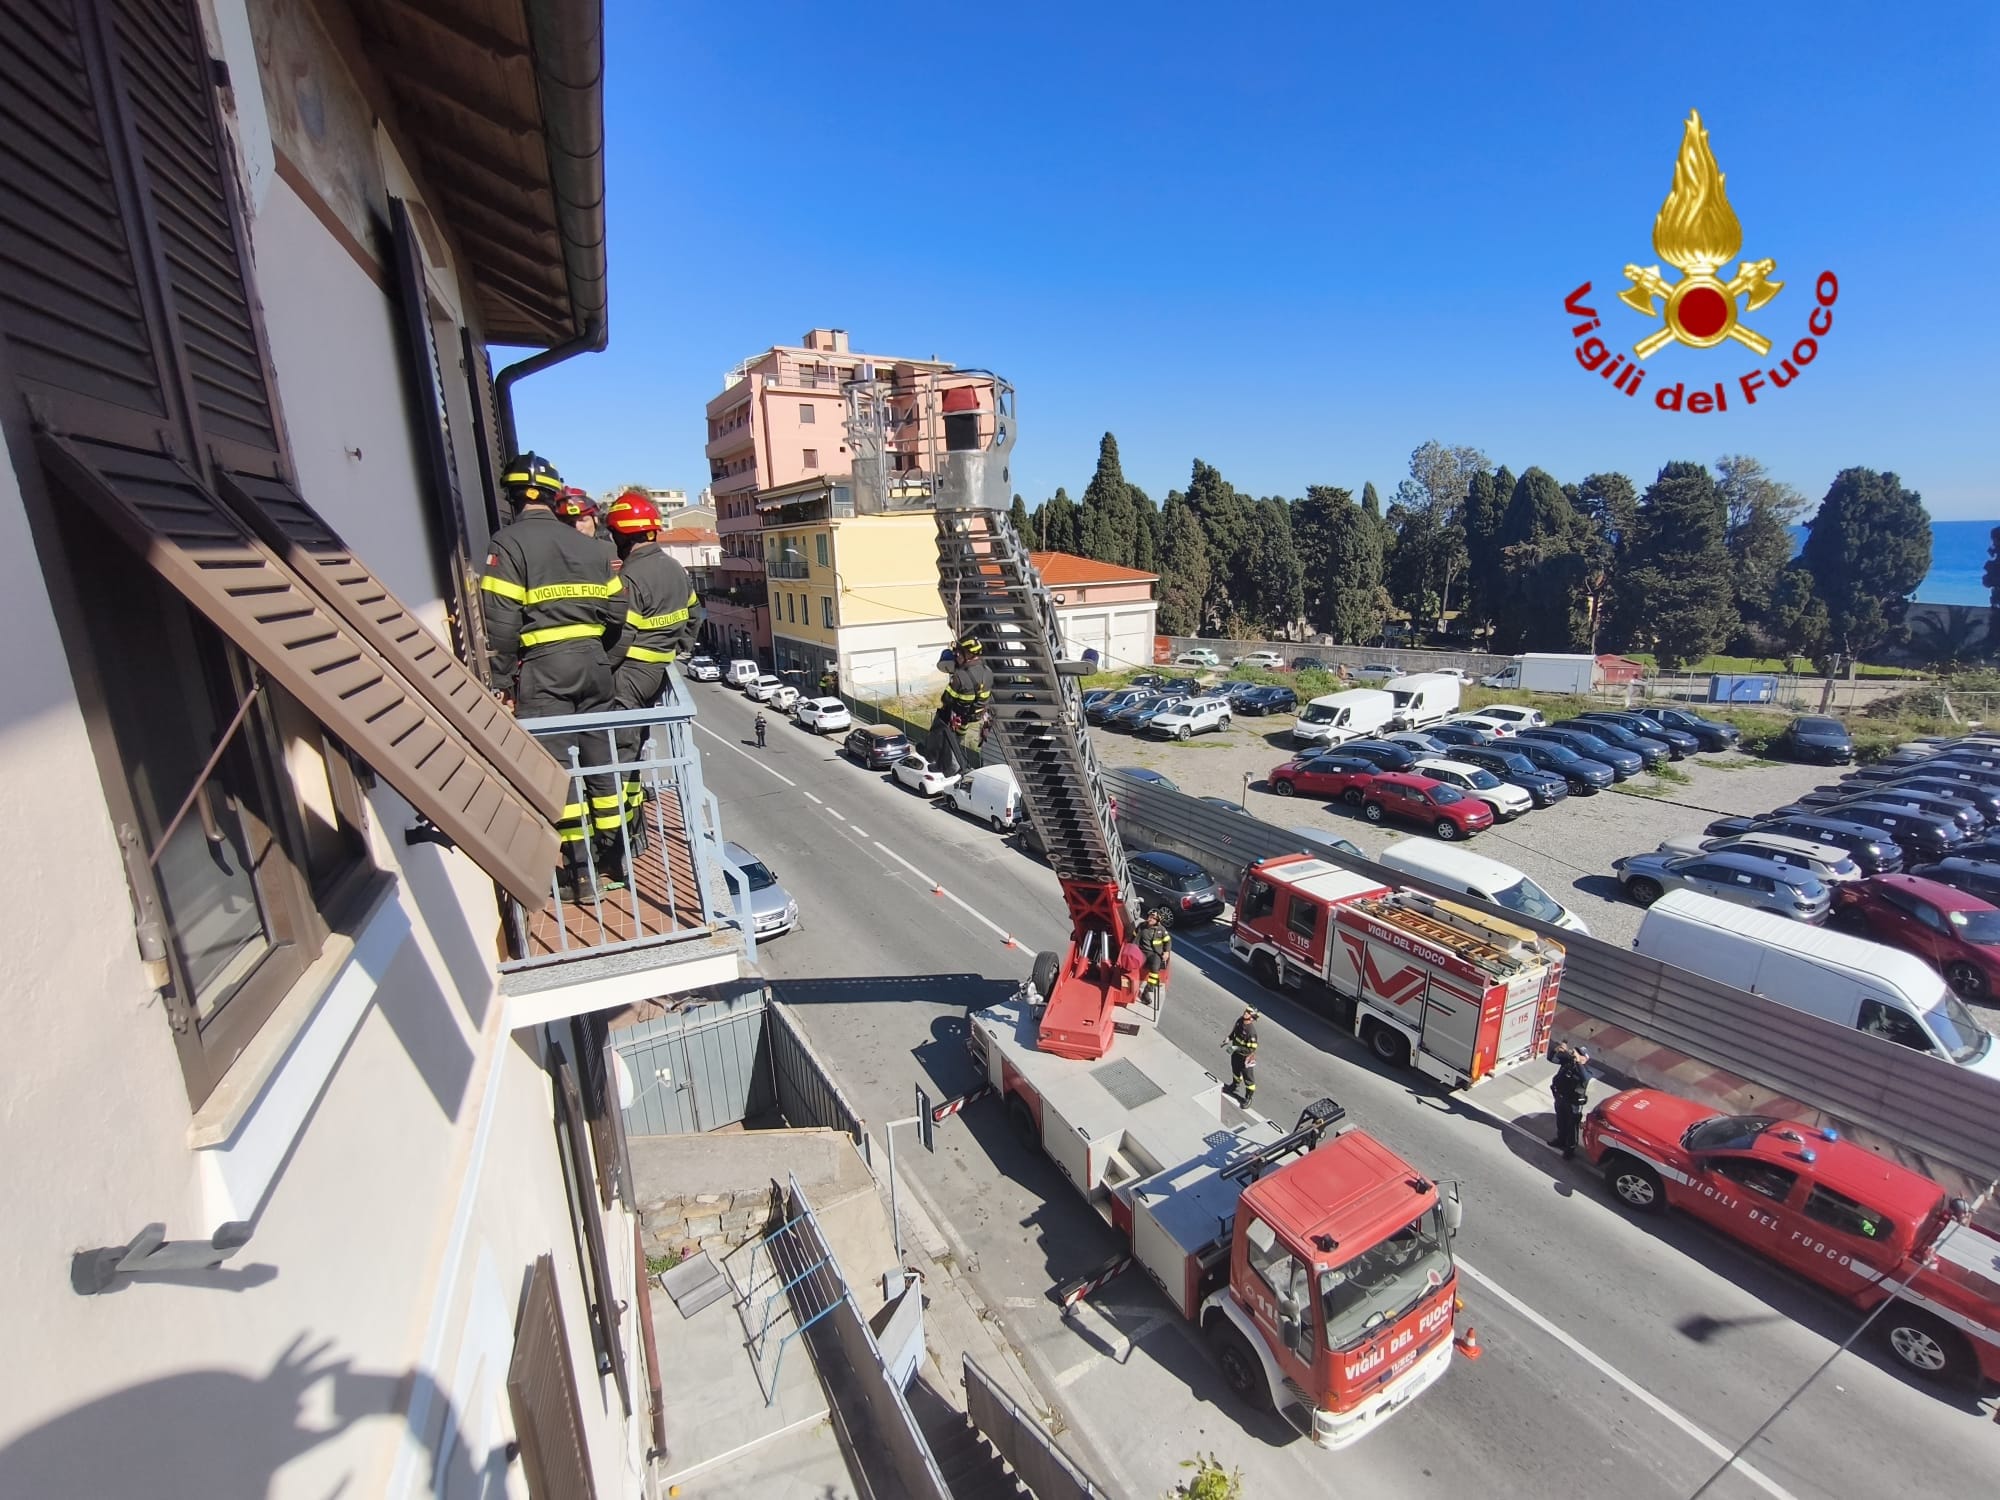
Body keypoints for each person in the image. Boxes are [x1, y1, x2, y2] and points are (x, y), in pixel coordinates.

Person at [481, 452, 627, 901]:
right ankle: (615, 857)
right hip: (594, 666)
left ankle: (581, 874)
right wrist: (598, 654)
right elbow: (619, 613)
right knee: (602, 764)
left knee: (558, 775)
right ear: (554, 497)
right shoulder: (594, 548)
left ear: (512, 496)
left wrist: (502, 681)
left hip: (544, 671)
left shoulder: (508, 544)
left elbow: (501, 625)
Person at [597, 492, 698, 876]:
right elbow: (694, 614)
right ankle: (634, 828)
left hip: (630, 676)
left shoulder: (630, 577)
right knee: (634, 750)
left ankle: (616, 846)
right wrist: (679, 647)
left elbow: (623, 635)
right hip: (657, 671)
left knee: (617, 759)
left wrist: (600, 670)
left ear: (621, 536)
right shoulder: (675, 569)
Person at [927, 635, 993, 775]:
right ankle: (946, 763)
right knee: (957, 736)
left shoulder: (960, 677)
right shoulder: (988, 671)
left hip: (961, 716)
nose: (956, 656)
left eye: (958, 653)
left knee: (941, 721)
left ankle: (933, 756)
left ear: (968, 654)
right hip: (976, 714)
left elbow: (946, 698)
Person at [1549, 1040, 1592, 1157]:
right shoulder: (1568, 1062)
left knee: (1572, 1127)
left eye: (1579, 1053)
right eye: (1576, 1051)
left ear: (1585, 1059)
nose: (1575, 1054)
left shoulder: (1585, 1070)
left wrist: (1578, 1061)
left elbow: (1584, 1078)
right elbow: (1551, 1058)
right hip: (1561, 1098)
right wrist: (1556, 1049)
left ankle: (1570, 1149)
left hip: (1573, 1104)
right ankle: (1560, 1140)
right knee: (1561, 1121)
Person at [1138, 908, 1172, 1007]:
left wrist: (1166, 952)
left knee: (1155, 969)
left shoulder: (1161, 930)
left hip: (1155, 954)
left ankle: (1147, 991)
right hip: (1141, 952)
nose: (1150, 919)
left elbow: (1168, 941)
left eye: (1153, 918)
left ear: (1157, 920)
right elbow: (1134, 938)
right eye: (1150, 917)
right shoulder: (1142, 926)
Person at [1225, 1007, 1259, 1100]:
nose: (1245, 1013)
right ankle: (1234, 1086)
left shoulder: (1251, 1032)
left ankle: (1248, 1098)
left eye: (1249, 1012)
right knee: (1235, 1070)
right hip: (1236, 1054)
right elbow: (1234, 1032)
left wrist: (1236, 1048)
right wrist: (1229, 1038)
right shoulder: (1240, 1020)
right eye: (1246, 1011)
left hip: (1245, 1058)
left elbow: (1251, 1049)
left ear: (1252, 1018)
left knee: (1248, 1079)